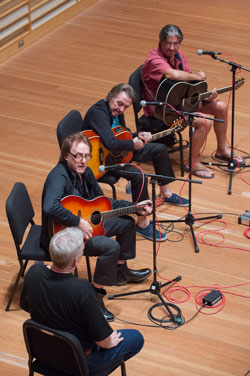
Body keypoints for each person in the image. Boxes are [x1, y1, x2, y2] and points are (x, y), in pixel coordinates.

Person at [40, 132, 152, 321]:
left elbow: (103, 203)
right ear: (67, 155)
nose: (83, 161)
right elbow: (50, 206)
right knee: (110, 247)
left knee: (127, 224)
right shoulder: (58, 176)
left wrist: (133, 208)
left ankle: (120, 271)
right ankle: (95, 295)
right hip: (61, 236)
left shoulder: (86, 172)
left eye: (86, 156)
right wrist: (78, 222)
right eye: (78, 156)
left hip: (84, 227)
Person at [21, 227, 144, 374]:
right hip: (78, 363)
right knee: (136, 338)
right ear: (75, 261)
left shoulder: (34, 272)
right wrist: (109, 340)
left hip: (44, 354)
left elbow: (26, 306)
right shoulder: (82, 289)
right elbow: (104, 342)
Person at [82, 83, 189, 242]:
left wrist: (139, 135)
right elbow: (111, 143)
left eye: (126, 106)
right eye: (119, 103)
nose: (121, 109)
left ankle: (166, 193)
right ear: (110, 97)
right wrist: (133, 144)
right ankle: (143, 224)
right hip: (100, 162)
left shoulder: (118, 112)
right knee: (139, 175)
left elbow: (122, 135)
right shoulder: (99, 113)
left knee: (159, 149)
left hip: (118, 152)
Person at [141, 24, 243, 179]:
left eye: (176, 44)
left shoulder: (179, 55)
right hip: (162, 110)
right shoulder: (154, 58)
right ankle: (192, 162)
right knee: (204, 122)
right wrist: (199, 76)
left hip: (181, 102)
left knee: (221, 107)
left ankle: (222, 149)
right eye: (168, 43)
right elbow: (172, 74)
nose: (172, 47)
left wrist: (204, 95)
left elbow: (187, 84)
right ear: (160, 42)